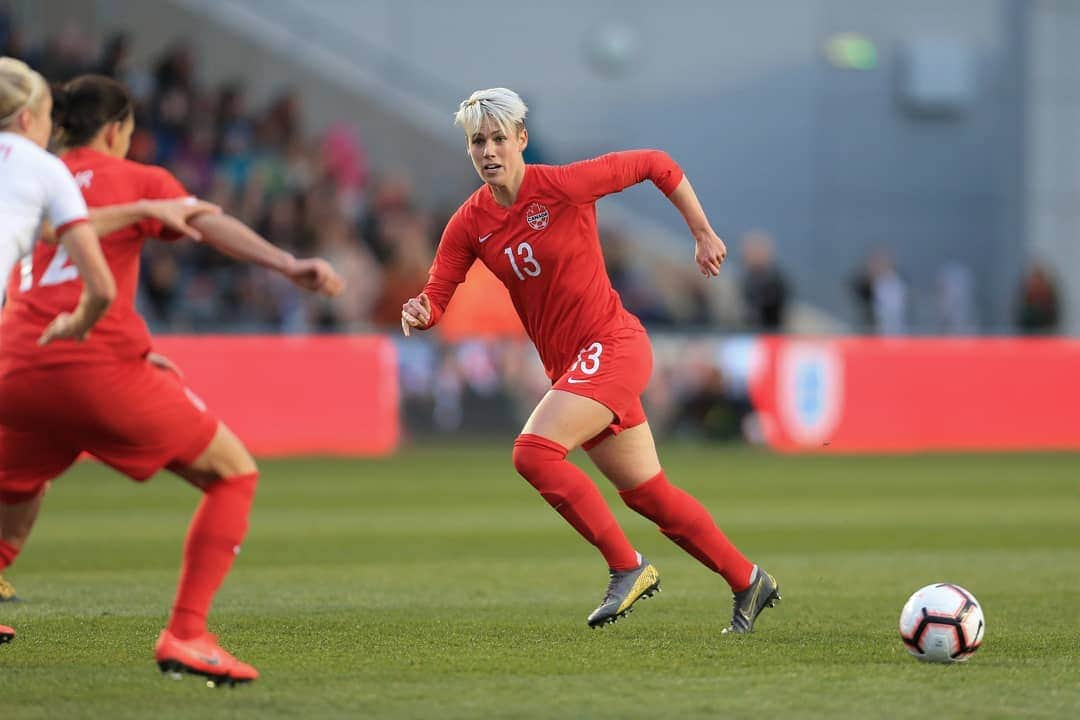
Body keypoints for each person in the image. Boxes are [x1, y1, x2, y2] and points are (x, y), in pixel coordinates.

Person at [0, 73, 344, 684]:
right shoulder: (138, 178)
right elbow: (204, 222)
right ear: (117, 130)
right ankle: (188, 635)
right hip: (91, 360)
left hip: (15, 364)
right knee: (232, 472)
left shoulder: (32, 174)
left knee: (20, 480)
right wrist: (289, 264)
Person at [401, 88, 779, 633]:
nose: (488, 151)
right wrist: (421, 309)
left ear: (521, 140)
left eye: (499, 139)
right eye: (477, 141)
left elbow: (657, 163)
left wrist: (701, 231)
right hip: (577, 369)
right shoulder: (469, 223)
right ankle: (748, 581)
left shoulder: (562, 186)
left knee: (533, 454)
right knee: (650, 496)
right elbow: (437, 297)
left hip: (614, 347)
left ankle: (628, 567)